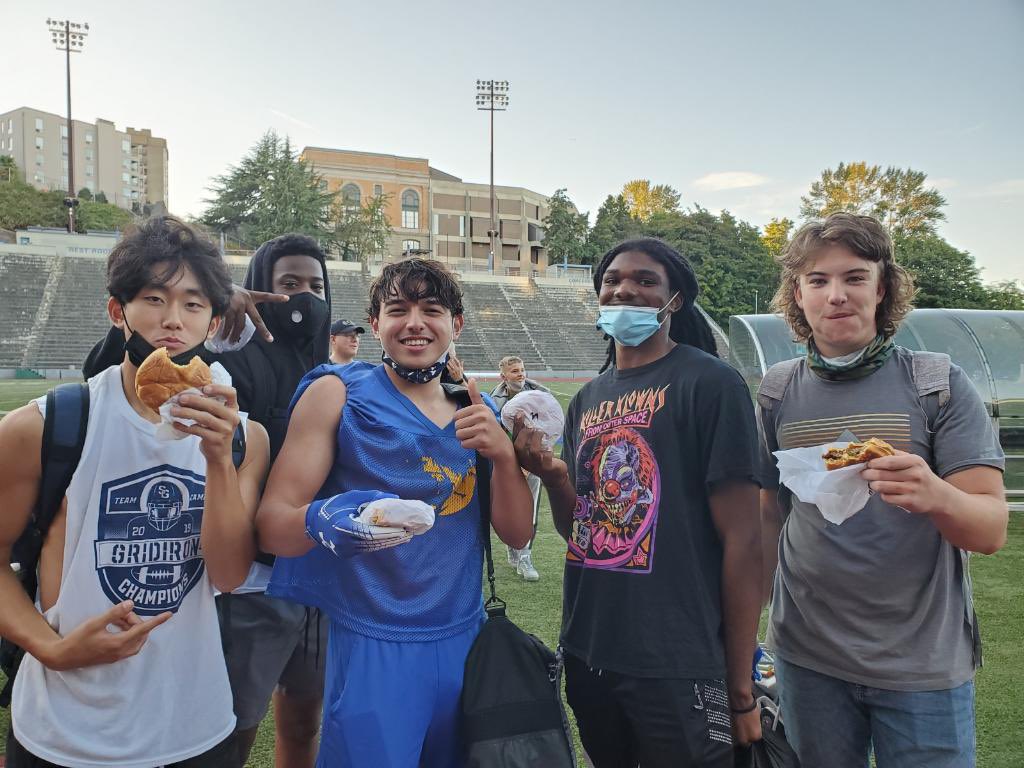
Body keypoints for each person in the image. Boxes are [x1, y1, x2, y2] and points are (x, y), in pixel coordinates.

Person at [0, 216, 270, 767]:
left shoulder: (246, 437)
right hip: (64, 731)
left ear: (214, 322)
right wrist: (50, 647)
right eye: (153, 298)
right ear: (117, 311)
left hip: (195, 724)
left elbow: (229, 574)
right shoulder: (44, 427)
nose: (173, 319)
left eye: (194, 305)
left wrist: (218, 461)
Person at [256, 258, 534, 768]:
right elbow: (273, 523)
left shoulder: (475, 408)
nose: (414, 322)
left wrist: (502, 455)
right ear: (376, 321)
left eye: (432, 309)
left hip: (464, 637)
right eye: (397, 309)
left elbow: (517, 533)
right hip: (372, 639)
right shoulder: (336, 393)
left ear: (457, 323)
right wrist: (327, 520)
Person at [757, 212, 1008, 768]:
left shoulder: (937, 383)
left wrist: (936, 493)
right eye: (817, 281)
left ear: (883, 287)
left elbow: (990, 531)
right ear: (796, 294)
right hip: (807, 659)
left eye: (855, 277)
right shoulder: (777, 393)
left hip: (921, 665)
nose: (836, 295)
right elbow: (765, 524)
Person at [516, 238, 763, 767]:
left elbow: (745, 540)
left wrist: (739, 686)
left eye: (646, 280)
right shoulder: (588, 398)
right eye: (613, 280)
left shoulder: (711, 383)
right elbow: (586, 531)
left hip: (680, 660)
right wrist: (558, 480)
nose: (625, 287)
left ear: (676, 301)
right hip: (589, 651)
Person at [212, 233, 334, 768]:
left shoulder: (333, 372)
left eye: (315, 285)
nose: (303, 297)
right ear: (259, 289)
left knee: (305, 718)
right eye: (287, 285)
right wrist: (217, 319)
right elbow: (127, 370)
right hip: (255, 581)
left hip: (324, 577)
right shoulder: (233, 359)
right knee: (232, 724)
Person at [490, 355, 552, 581]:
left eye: (522, 369)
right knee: (508, 509)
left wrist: (531, 460)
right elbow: (495, 434)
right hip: (506, 462)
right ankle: (512, 544)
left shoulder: (540, 394)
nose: (521, 374)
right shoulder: (494, 400)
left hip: (533, 460)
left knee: (530, 508)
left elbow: (549, 427)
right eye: (515, 371)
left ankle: (525, 557)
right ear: (503, 376)